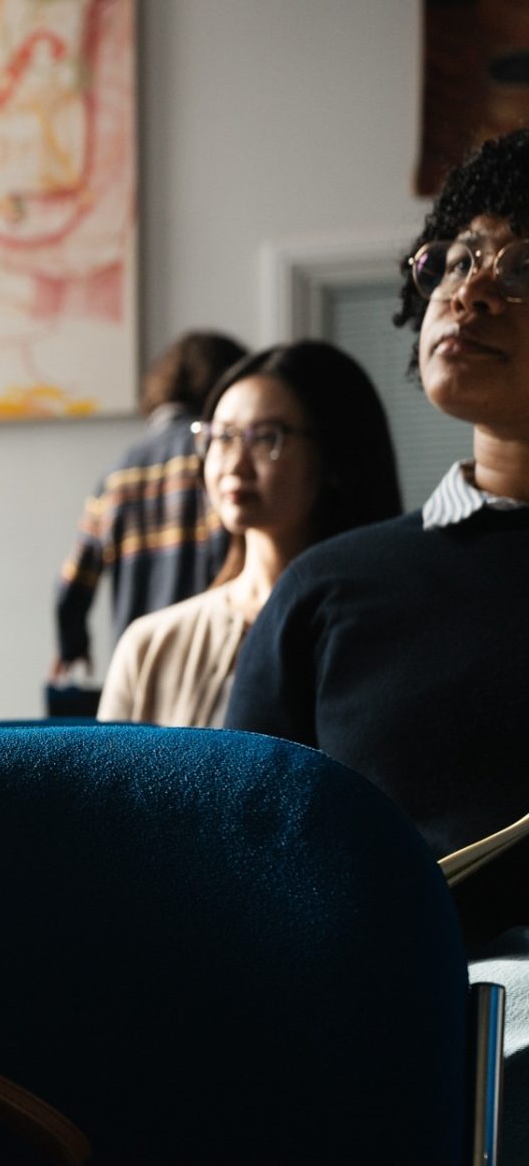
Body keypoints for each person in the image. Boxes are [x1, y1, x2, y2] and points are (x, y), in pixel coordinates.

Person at [226, 130, 529, 858]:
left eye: (523, 270)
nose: (471, 292)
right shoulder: (327, 589)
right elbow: (236, 856)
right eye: (458, 261)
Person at [97, 342, 400, 727]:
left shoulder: (389, 634)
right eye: (222, 438)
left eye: (265, 437)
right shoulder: (150, 645)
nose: (234, 465)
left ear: (336, 457)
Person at [50, 330, 247, 680]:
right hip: (211, 662)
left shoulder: (116, 475)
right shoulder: (219, 460)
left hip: (136, 667)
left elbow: (73, 584)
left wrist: (73, 647)